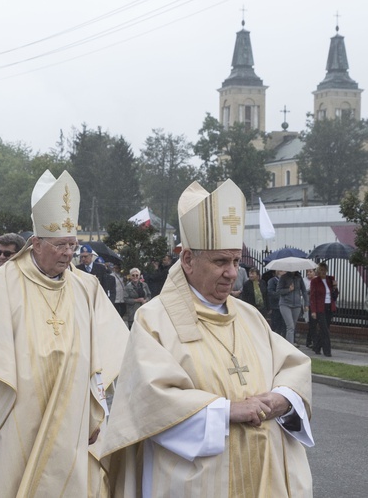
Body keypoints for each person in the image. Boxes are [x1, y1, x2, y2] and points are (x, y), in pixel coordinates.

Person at [99, 179, 313, 497]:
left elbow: (292, 365)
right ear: (187, 259)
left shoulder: (249, 316)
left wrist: (283, 398)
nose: (231, 273)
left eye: (236, 261)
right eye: (220, 262)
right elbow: (149, 401)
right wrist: (225, 410)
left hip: (263, 474)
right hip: (196, 481)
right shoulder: (155, 320)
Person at [0, 170, 127, 497]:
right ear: (36, 244)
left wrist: (97, 413)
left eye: (72, 245)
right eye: (60, 246)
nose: (68, 253)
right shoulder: (1, 283)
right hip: (10, 410)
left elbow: (97, 356)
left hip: (70, 411)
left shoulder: (86, 287)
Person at [310, 262, 338, 357]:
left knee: (324, 329)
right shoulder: (315, 281)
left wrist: (335, 287)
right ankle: (327, 351)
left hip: (329, 307)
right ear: (318, 271)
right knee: (325, 330)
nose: (323, 272)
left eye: (324, 269)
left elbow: (335, 296)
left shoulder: (330, 280)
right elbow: (312, 297)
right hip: (320, 308)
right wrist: (313, 310)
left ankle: (317, 347)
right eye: (321, 270)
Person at [276, 270, 308, 345]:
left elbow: (303, 290)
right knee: (290, 326)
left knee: (293, 326)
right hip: (285, 304)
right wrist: (288, 290)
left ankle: (288, 344)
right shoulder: (283, 278)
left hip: (297, 305)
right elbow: (278, 291)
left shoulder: (299, 278)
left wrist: (306, 303)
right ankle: (290, 345)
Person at [267, 270, 286, 336]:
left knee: (284, 325)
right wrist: (280, 295)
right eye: (281, 271)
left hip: (285, 305)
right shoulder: (272, 281)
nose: (283, 272)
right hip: (276, 306)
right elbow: (270, 292)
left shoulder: (286, 281)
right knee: (276, 324)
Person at [304, 268, 317, 348]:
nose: (308, 273)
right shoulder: (304, 280)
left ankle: (310, 341)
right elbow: (303, 291)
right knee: (309, 323)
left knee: (313, 324)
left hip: (314, 304)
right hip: (307, 304)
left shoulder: (316, 280)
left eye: (310, 272)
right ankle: (310, 341)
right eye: (307, 272)